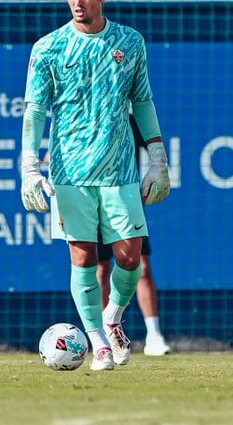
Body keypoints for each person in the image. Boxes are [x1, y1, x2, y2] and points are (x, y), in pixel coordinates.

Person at [19, 0, 171, 371]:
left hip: (119, 170)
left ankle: (112, 316)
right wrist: (30, 166)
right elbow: (35, 110)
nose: (77, 2)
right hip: (70, 173)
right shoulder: (49, 47)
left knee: (130, 256)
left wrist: (157, 157)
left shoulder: (129, 42)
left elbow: (142, 101)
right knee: (83, 258)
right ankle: (98, 343)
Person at [95, 116, 172, 357]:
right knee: (99, 269)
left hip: (125, 200)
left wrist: (155, 172)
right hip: (92, 201)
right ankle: (104, 335)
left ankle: (154, 335)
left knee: (141, 266)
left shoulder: (127, 119)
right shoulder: (86, 117)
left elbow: (153, 149)